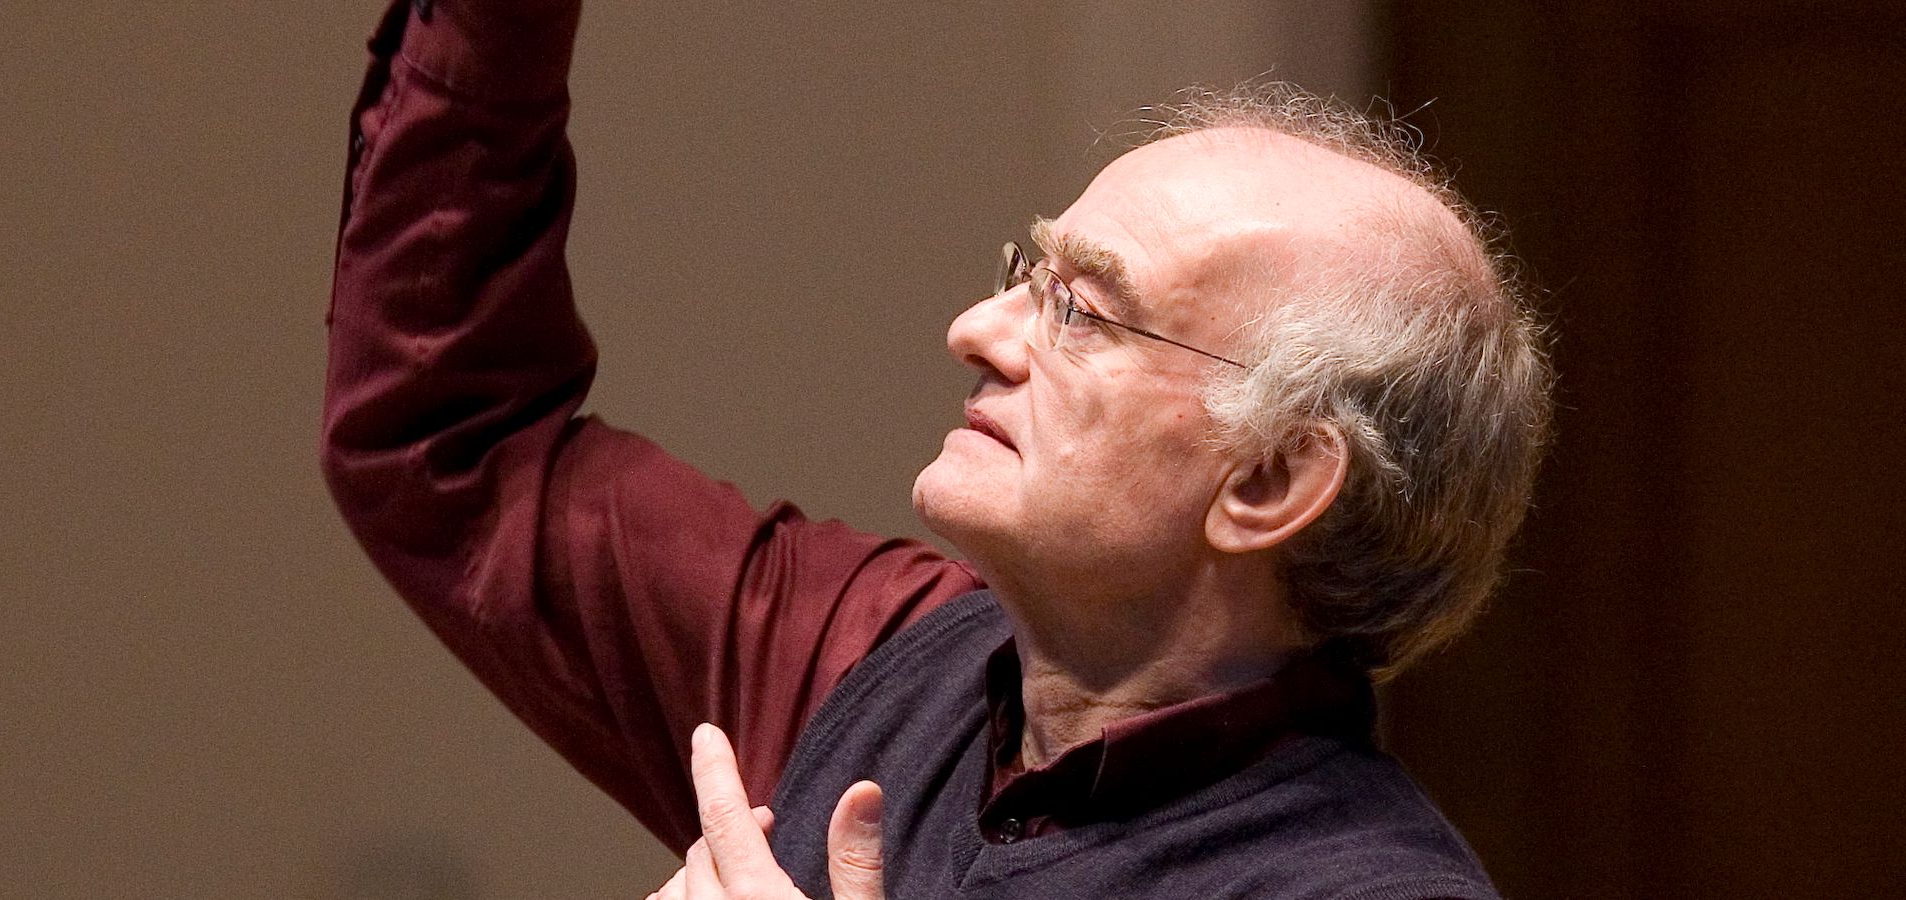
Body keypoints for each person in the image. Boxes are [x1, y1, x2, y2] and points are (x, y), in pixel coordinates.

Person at [321, 0, 1553, 896]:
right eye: (1029, 272)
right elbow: (459, 449)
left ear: (1271, 480)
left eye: (1083, 311)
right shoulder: (876, 657)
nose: (977, 328)